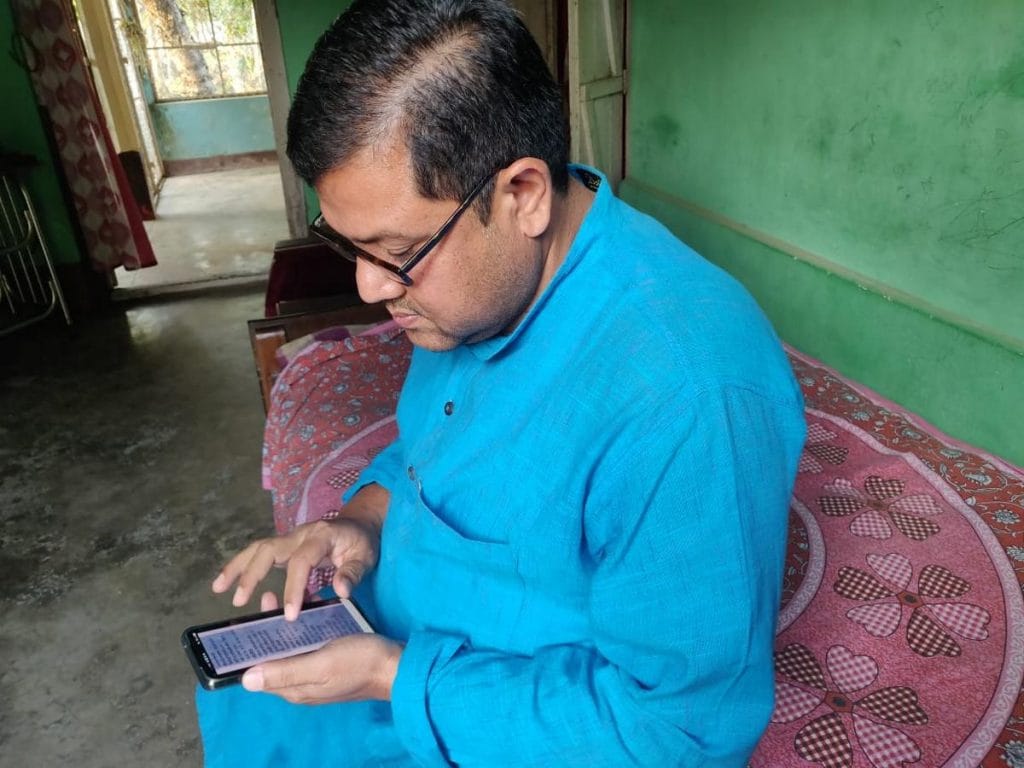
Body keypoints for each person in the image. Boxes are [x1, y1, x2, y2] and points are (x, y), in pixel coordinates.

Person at [198, 0, 806, 765]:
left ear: (522, 195)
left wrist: (395, 676)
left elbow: (675, 734)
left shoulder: (686, 398)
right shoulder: (470, 291)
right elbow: (433, 452)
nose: (370, 289)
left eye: (394, 251)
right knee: (243, 702)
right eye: (348, 246)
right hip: (393, 644)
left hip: (502, 720)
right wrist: (360, 524)